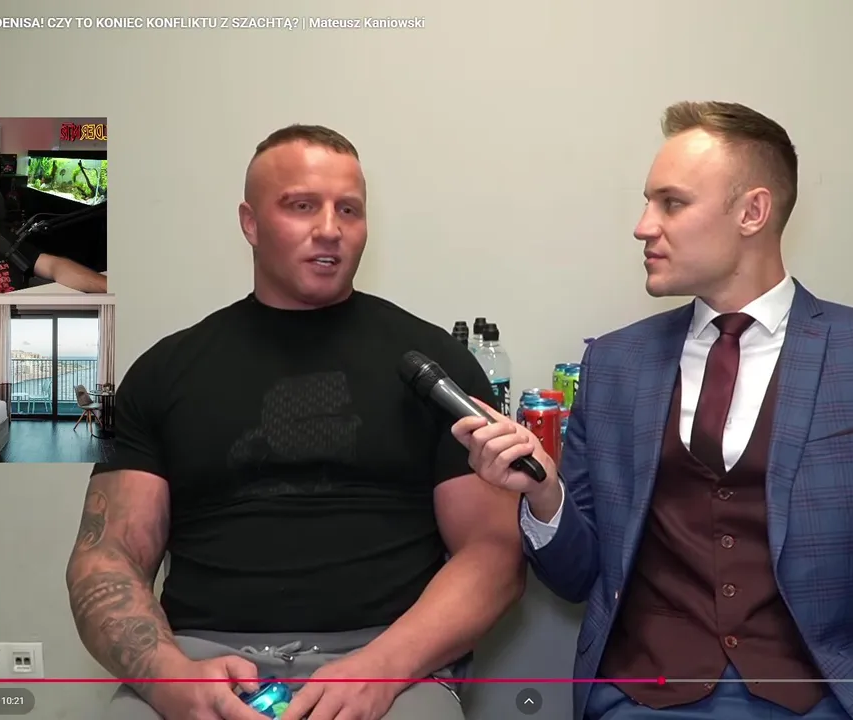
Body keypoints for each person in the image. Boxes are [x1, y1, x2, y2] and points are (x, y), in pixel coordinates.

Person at [454, 101, 853, 720]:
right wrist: (544, 496)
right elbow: (579, 577)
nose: (643, 226)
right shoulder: (616, 365)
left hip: (822, 697)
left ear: (752, 212)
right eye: (648, 203)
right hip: (643, 697)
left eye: (671, 203)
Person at [66, 124, 525, 720]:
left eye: (349, 209)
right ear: (251, 223)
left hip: (390, 660)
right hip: (203, 659)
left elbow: (494, 553)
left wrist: (380, 669)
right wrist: (170, 679)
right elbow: (106, 556)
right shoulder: (163, 371)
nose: (330, 228)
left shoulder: (435, 366)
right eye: (301, 205)